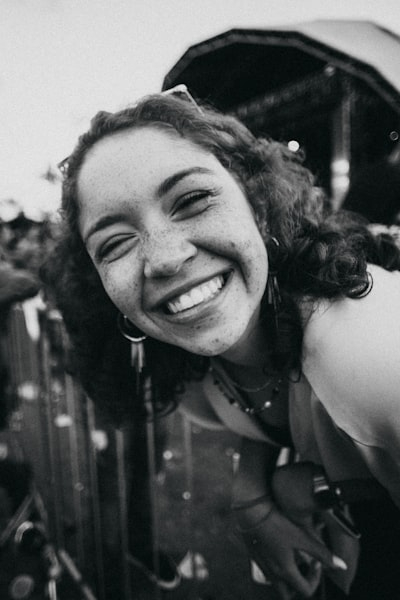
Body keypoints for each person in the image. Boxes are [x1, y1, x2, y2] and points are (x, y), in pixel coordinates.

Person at [42, 88, 400, 600]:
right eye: (115, 243)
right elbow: (268, 404)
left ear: (259, 205)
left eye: (192, 200)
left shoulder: (369, 350)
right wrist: (251, 489)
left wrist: (311, 488)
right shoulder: (187, 359)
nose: (165, 258)